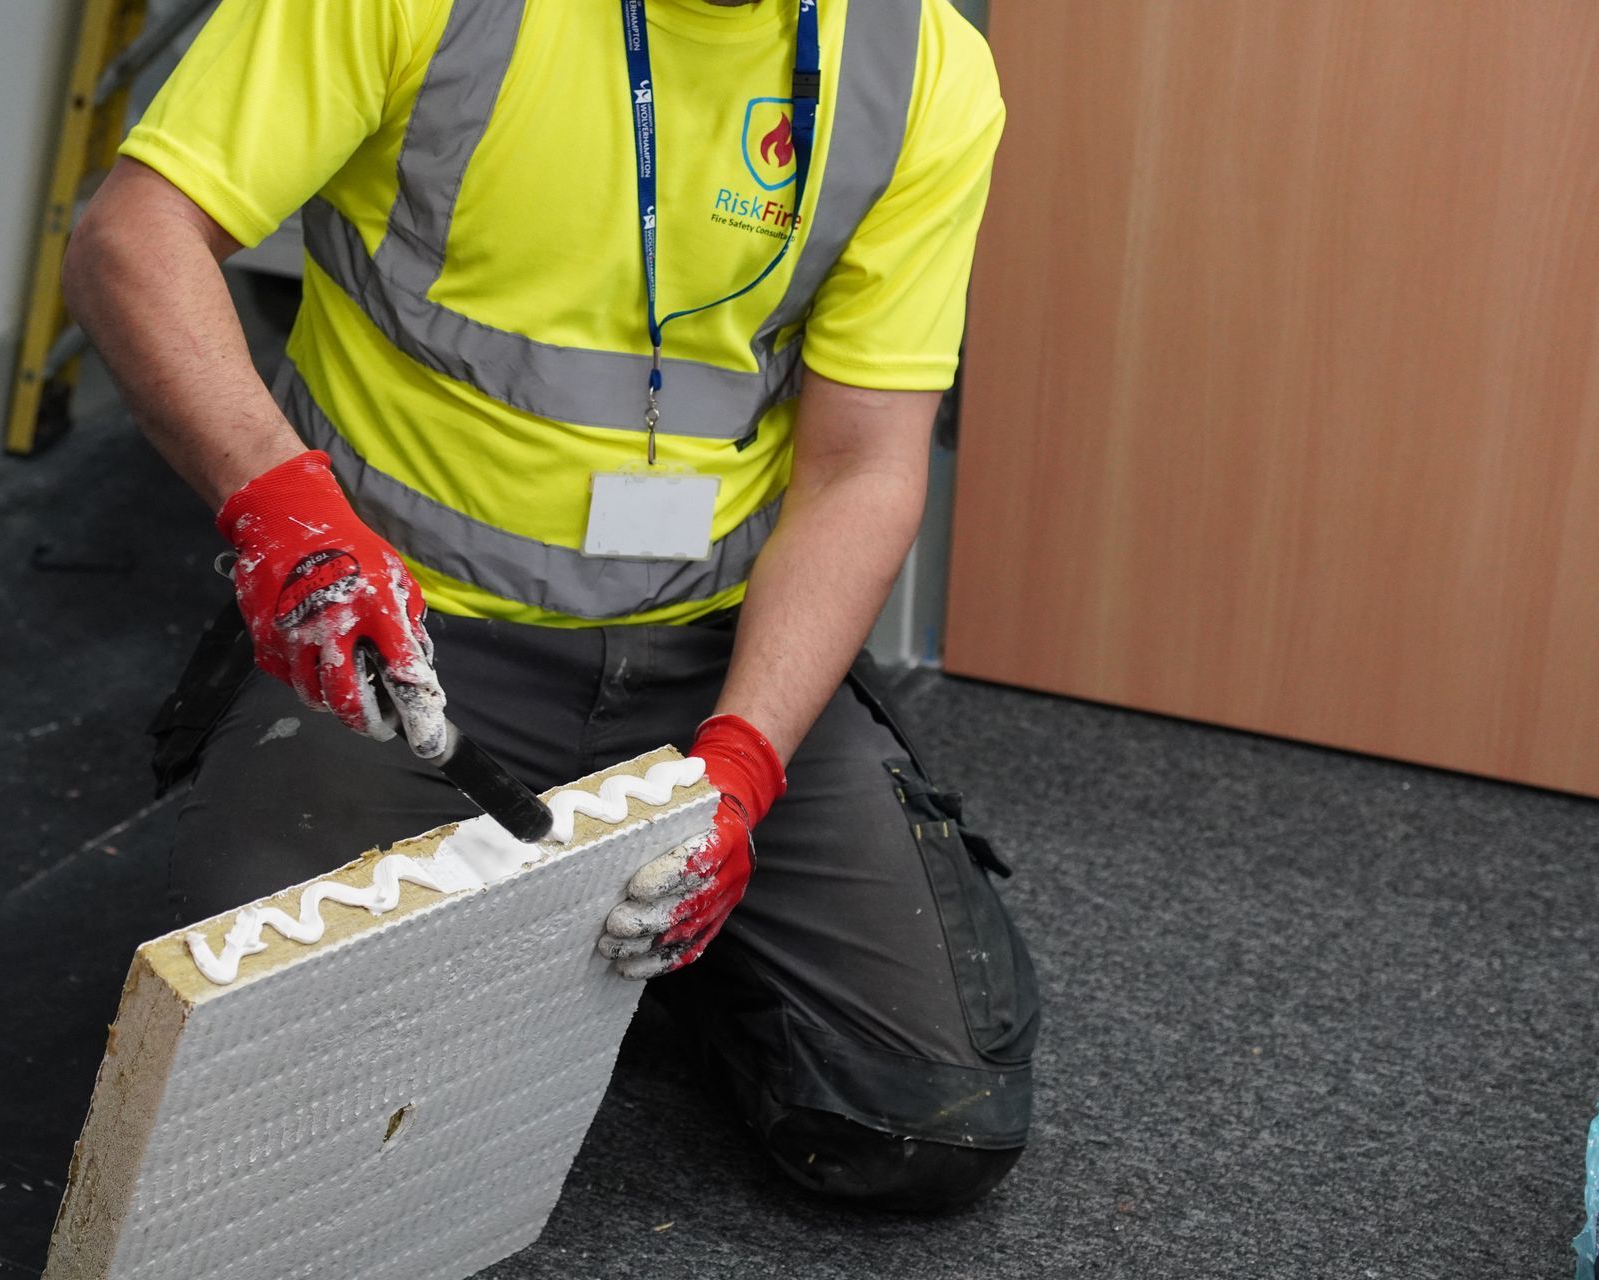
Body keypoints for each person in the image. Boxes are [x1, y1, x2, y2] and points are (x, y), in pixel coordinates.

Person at [63, 0, 1037, 1213]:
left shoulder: (919, 66)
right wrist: (285, 516)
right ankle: (567, 918)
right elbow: (132, 237)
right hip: (405, 640)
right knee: (277, 1115)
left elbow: (863, 465)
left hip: (712, 645)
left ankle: (658, 937)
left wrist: (742, 761)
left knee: (920, 1119)